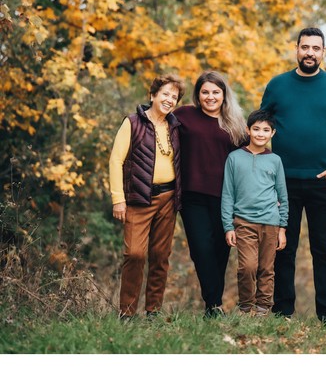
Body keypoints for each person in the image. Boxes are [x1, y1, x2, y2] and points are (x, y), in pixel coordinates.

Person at [260, 27, 326, 322]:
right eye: (305, 47)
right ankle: (283, 311)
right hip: (283, 182)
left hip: (322, 181)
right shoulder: (277, 85)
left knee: (322, 249)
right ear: (297, 50)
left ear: (323, 53)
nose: (310, 53)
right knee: (284, 248)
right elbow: (260, 128)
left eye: (316, 48)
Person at [109, 74, 186, 320]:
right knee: (135, 254)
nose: (169, 99)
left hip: (168, 198)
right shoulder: (132, 122)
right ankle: (127, 313)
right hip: (138, 198)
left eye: (174, 97)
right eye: (165, 94)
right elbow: (115, 160)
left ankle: (153, 311)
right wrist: (117, 198)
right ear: (152, 95)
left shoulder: (175, 126)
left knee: (160, 256)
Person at [174, 71, 248, 318]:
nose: (210, 97)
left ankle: (212, 307)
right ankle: (214, 304)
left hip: (225, 197)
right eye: (205, 92)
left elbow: (253, 152)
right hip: (192, 195)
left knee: (220, 250)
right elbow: (157, 120)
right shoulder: (184, 115)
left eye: (216, 92)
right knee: (200, 249)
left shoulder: (234, 123)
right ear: (198, 95)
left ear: (224, 94)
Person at [221, 109, 288, 316]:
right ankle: (246, 306)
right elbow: (227, 194)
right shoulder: (234, 158)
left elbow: (282, 194)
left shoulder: (275, 160)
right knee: (247, 267)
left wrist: (282, 227)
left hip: (270, 222)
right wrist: (228, 226)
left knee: (266, 269)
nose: (260, 134)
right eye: (256, 129)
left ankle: (262, 308)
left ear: (272, 134)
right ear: (248, 130)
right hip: (243, 222)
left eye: (265, 130)